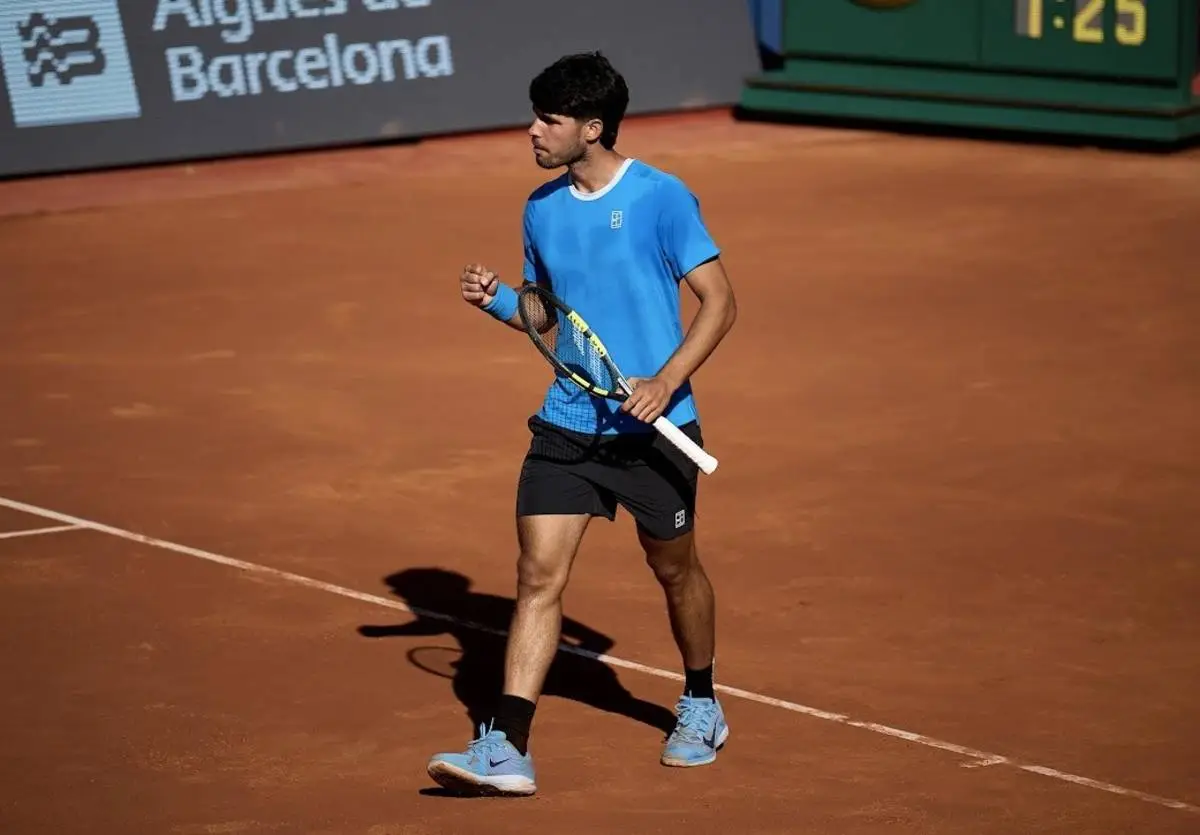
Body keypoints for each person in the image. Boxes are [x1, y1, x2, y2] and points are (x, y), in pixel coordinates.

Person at [427, 51, 738, 797]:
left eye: (550, 120)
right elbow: (550, 313)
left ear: (591, 129)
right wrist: (502, 299)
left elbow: (720, 301)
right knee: (537, 576)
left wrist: (665, 382)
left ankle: (700, 699)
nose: (533, 131)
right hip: (568, 424)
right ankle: (508, 745)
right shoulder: (541, 207)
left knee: (674, 570)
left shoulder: (663, 198)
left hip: (655, 433)